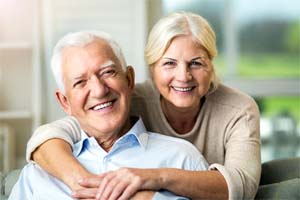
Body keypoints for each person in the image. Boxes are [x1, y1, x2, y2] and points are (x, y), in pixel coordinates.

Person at [26, 11, 261, 199]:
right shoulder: (125, 99)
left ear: (211, 64)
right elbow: (53, 133)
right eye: (169, 63)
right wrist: (85, 183)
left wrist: (154, 179)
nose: (183, 76)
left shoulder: (238, 110)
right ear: (152, 69)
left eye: (196, 63)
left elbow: (241, 186)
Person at [9, 30, 208, 200]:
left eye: (107, 72)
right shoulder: (39, 175)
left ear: (129, 80)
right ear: (65, 102)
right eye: (80, 82)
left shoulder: (183, 159)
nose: (98, 90)